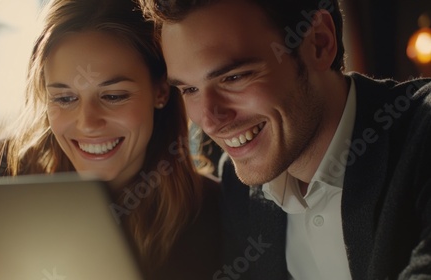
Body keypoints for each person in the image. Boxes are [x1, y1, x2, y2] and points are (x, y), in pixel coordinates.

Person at [138, 0, 431, 279]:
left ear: (319, 42)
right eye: (189, 90)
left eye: (234, 78)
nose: (209, 120)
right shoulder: (236, 186)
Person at [0, 0, 222, 278]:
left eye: (113, 96)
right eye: (65, 98)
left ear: (160, 91)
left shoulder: (217, 209)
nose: (87, 123)